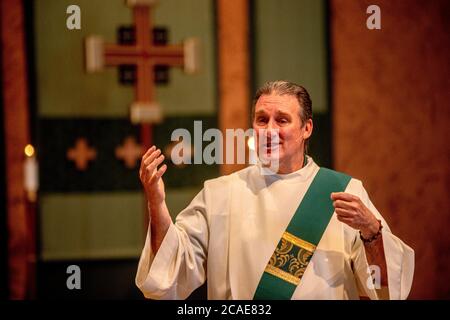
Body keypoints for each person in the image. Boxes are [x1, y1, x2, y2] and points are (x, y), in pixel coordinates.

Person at [135, 81, 414, 300]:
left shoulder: (343, 192)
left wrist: (372, 232)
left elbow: (386, 289)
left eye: (281, 120)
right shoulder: (220, 194)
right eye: (261, 119)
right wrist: (156, 204)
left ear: (307, 128)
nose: (269, 130)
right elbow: (168, 275)